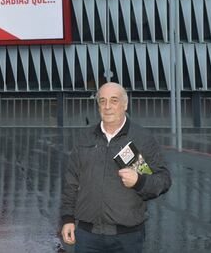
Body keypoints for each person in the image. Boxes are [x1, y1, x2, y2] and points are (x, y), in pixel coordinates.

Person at [60, 82, 171, 253]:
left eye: (114, 100)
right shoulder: (85, 137)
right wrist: (67, 218)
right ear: (98, 106)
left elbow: (163, 180)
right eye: (102, 101)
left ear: (125, 104)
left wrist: (139, 181)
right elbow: (71, 182)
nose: (107, 107)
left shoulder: (142, 138)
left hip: (127, 238)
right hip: (87, 235)